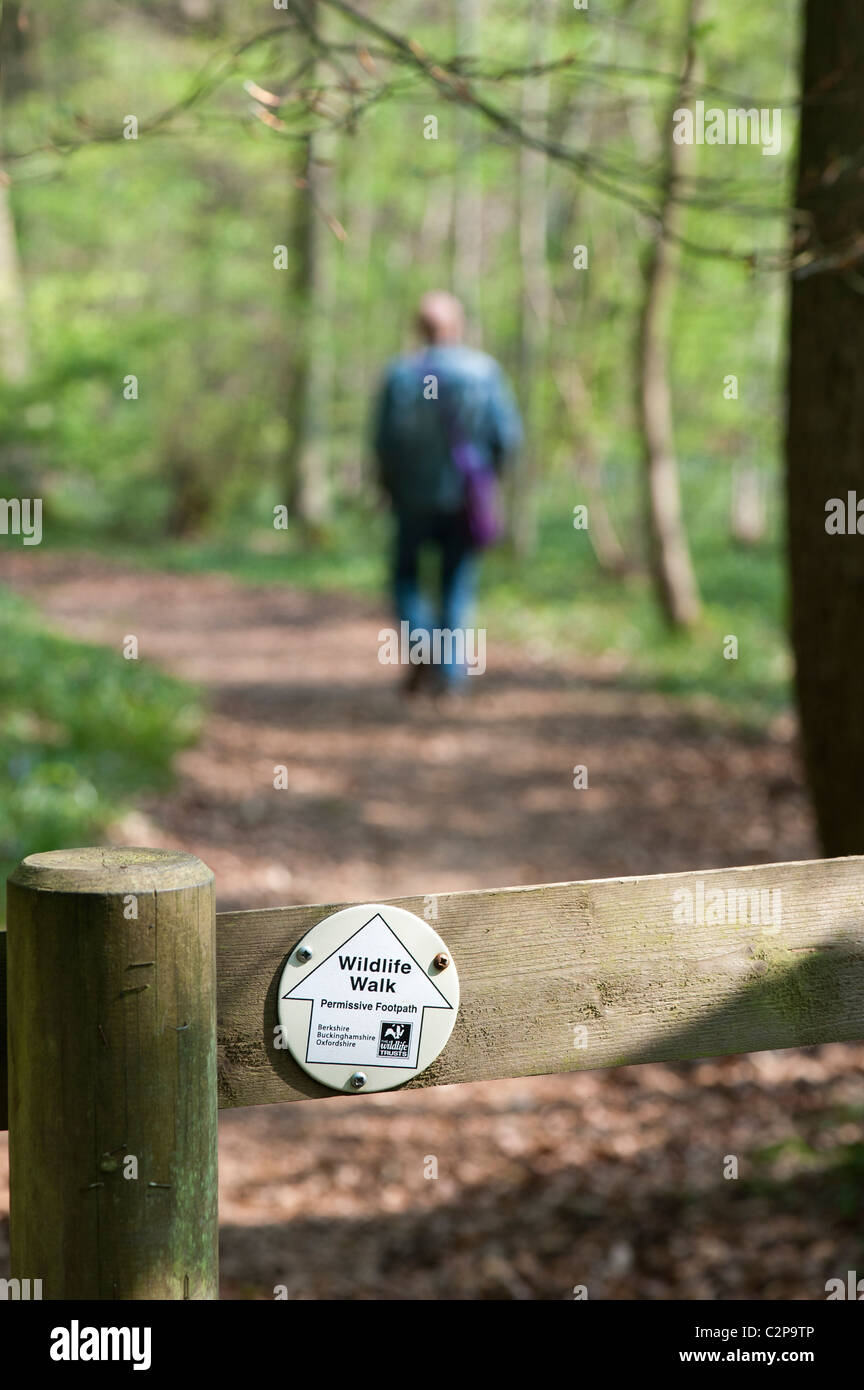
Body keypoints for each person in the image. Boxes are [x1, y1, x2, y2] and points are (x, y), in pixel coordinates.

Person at [373, 290, 522, 694]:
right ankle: (451, 673)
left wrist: (387, 487)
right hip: (464, 499)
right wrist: (487, 481)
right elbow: (506, 437)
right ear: (456, 326)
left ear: (419, 328)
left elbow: (383, 443)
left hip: (412, 498)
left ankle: (422, 645)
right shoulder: (483, 372)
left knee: (405, 577)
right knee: (456, 580)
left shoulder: (400, 375)